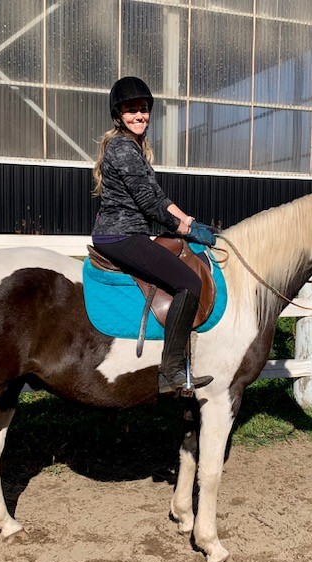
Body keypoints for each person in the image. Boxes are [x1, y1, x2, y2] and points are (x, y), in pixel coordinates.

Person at [91, 76, 216, 397]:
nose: (139, 116)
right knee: (189, 283)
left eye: (143, 110)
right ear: (118, 116)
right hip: (120, 236)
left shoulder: (133, 147)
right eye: (131, 110)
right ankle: (170, 371)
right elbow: (149, 204)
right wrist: (185, 229)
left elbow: (158, 196)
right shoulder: (122, 148)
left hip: (127, 233)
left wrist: (190, 220)